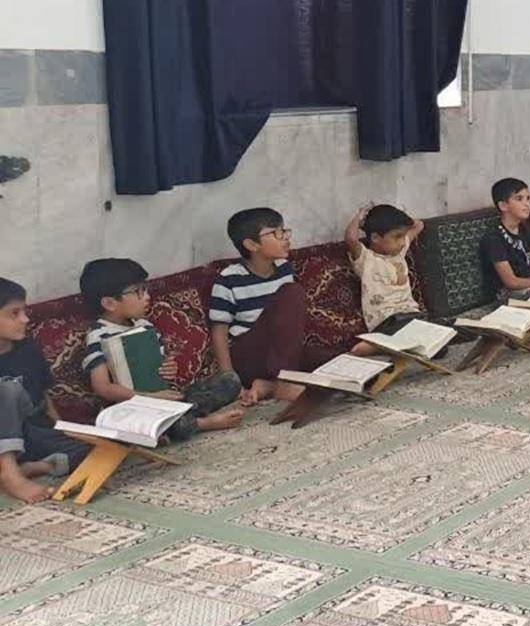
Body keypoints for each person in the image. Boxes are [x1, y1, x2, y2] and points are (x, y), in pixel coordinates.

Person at [79, 258, 245, 439]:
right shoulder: (99, 335)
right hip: (133, 407)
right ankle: (201, 423)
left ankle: (184, 414)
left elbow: (159, 369)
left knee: (229, 380)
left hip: (164, 399)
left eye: (145, 289)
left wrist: (168, 368)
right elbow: (102, 387)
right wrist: (149, 398)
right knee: (146, 425)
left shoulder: (145, 326)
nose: (147, 296)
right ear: (110, 303)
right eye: (138, 292)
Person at [209, 208, 336, 412]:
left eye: (284, 231)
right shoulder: (229, 279)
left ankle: (269, 386)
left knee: (336, 362)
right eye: (276, 233)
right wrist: (230, 381)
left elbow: (287, 326)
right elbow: (219, 332)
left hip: (279, 356)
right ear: (251, 245)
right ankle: (284, 383)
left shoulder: (284, 268)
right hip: (249, 356)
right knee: (292, 292)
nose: (285, 237)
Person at [0, 278, 89, 502]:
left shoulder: (28, 348)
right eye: (14, 313)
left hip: (30, 431)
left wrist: (61, 428)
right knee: (7, 390)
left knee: (96, 450)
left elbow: (43, 395)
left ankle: (35, 467)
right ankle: (10, 475)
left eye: (24, 311)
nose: (25, 319)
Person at [344, 204, 427, 333]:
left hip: (411, 315)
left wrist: (400, 219)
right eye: (397, 237)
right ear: (375, 238)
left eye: (404, 236)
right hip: (386, 322)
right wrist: (360, 217)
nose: (402, 242)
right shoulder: (366, 259)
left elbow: (419, 225)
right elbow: (351, 238)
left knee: (445, 334)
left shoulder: (399, 252)